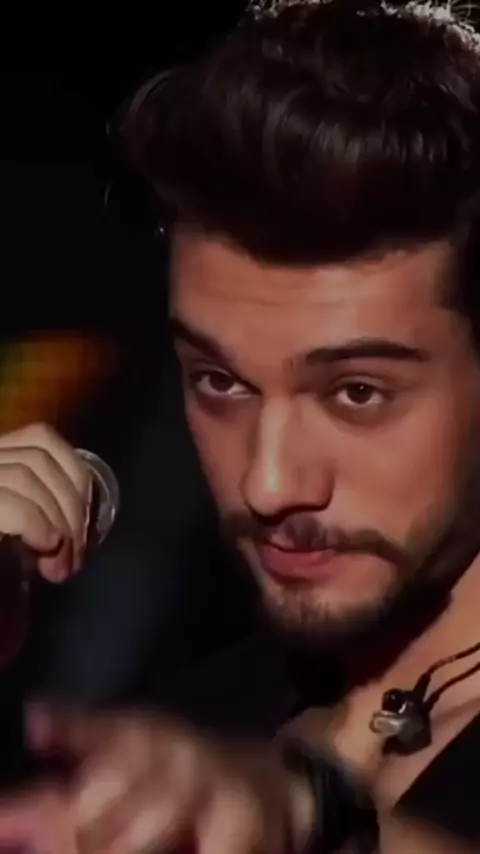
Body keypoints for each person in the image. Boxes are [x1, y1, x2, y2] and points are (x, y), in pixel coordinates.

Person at [3, 0, 480, 850]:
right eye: (221, 382)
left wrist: (306, 821)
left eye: (358, 392)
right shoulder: (173, 731)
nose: (268, 483)